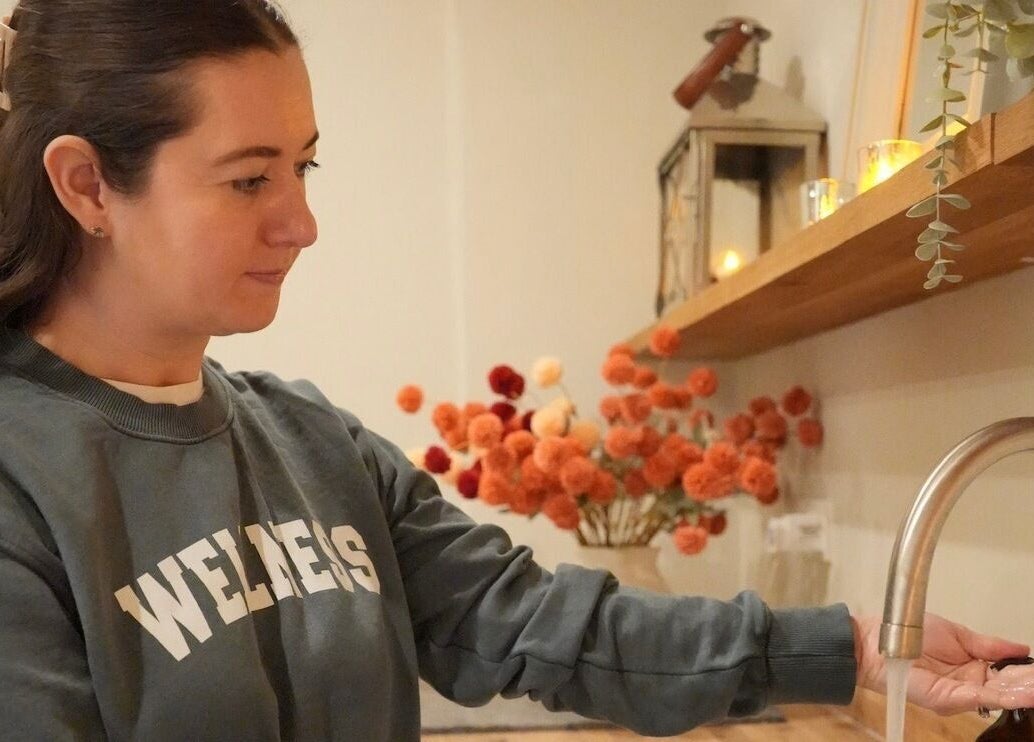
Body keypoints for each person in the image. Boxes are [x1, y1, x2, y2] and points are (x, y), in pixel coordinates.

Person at [0, 2, 1031, 740]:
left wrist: (849, 645)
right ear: (88, 183)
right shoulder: (22, 480)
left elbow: (538, 625)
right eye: (248, 178)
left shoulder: (309, 442)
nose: (302, 221)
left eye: (303, 165)